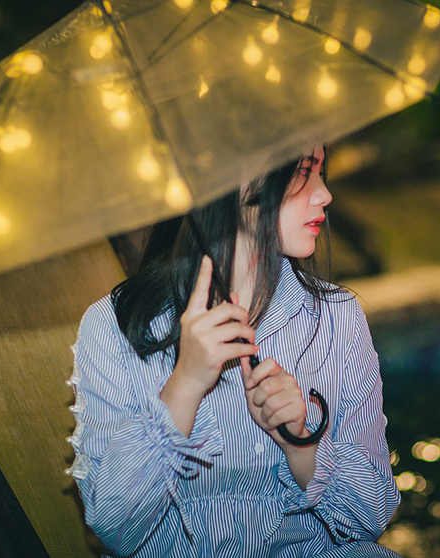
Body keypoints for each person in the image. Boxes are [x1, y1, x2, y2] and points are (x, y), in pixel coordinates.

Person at [66, 147, 401, 557]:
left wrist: (303, 445)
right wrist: (184, 385)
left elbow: (374, 515)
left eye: (320, 170)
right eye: (301, 173)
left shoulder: (338, 320)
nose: (324, 193)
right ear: (232, 178)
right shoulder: (113, 326)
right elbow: (114, 528)